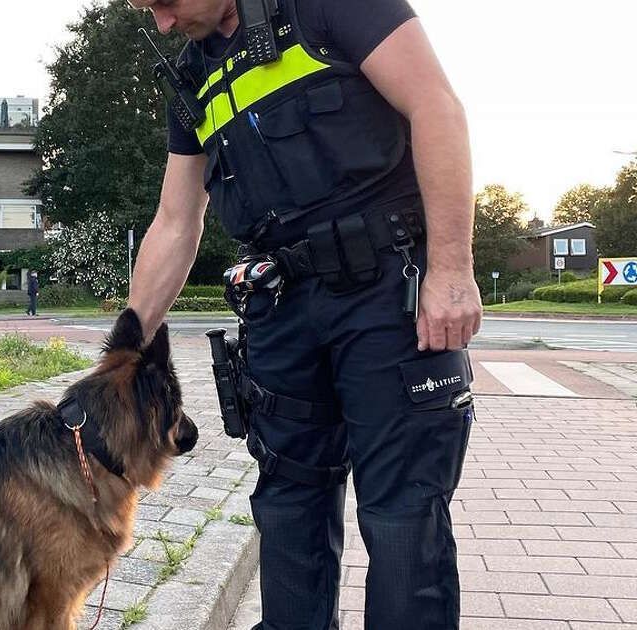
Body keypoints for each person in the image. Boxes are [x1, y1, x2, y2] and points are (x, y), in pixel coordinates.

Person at [124, 0, 482, 628]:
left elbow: (438, 109)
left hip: (386, 297)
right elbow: (176, 222)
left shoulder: (331, 6)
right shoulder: (192, 77)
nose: (162, 23)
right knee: (289, 507)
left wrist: (450, 270)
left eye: (166, 3)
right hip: (281, 312)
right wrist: (125, 348)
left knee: (401, 517)